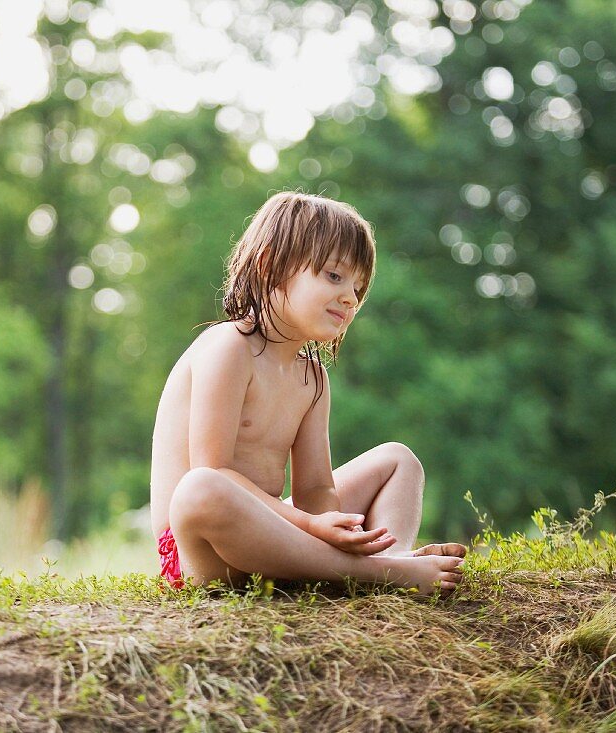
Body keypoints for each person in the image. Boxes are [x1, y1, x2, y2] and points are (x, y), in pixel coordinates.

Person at [150, 191, 467, 594]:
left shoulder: (312, 377)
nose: (350, 297)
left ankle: (384, 555)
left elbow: (315, 489)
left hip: (279, 537)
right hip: (206, 551)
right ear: (269, 266)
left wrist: (338, 528)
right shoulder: (229, 346)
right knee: (201, 488)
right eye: (334, 276)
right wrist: (310, 525)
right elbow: (213, 470)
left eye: (358, 287)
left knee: (399, 461)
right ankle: (382, 572)